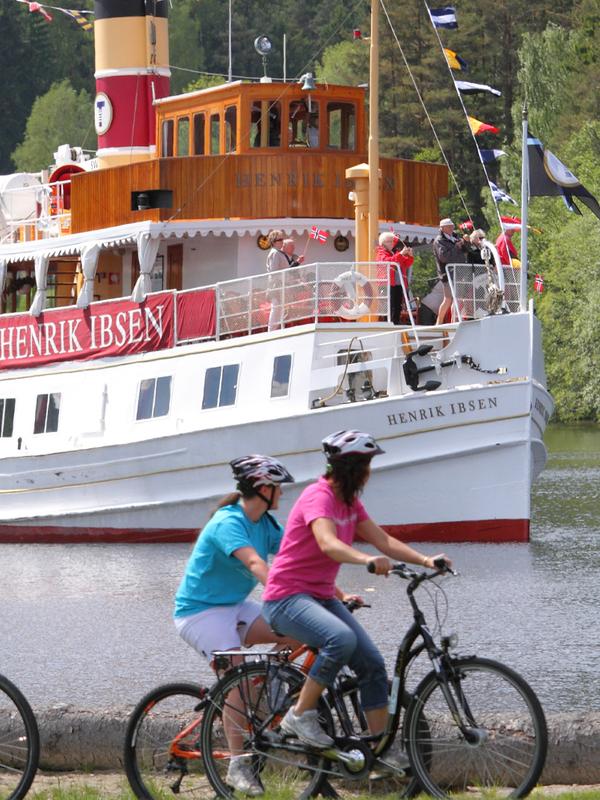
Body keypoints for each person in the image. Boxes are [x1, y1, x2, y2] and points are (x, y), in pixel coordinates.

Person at [262, 430, 450, 756]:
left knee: (372, 664)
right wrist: (366, 560)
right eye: (367, 464)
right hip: (286, 598)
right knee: (340, 639)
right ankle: (299, 715)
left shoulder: (350, 503)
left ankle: (381, 750)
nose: (369, 472)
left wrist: (425, 560)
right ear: (353, 468)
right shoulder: (317, 497)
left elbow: (383, 541)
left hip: (320, 597)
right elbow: (327, 542)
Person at [173, 454, 295, 795]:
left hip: (235, 606)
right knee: (236, 676)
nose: (282, 495)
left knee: (300, 631)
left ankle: (268, 686)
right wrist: (284, 590)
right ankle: (237, 766)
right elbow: (255, 562)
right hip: (200, 613)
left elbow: (295, 557)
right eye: (277, 488)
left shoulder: (266, 525)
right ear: (262, 488)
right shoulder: (228, 522)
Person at [432, 217, 467, 325]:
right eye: (449, 226)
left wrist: (465, 243)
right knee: (448, 299)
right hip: (447, 274)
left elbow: (465, 251)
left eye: (452, 226)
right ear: (442, 228)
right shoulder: (439, 241)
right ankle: (439, 321)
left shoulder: (455, 238)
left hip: (459, 272)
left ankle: (454, 321)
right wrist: (456, 247)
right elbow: (444, 257)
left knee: (458, 298)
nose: (452, 228)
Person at [375, 232, 414, 325]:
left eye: (392, 241)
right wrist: (401, 254)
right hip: (386, 284)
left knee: (397, 306)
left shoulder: (393, 252)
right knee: (388, 307)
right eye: (389, 241)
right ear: (383, 243)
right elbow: (388, 262)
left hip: (396, 284)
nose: (392, 243)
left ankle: (395, 323)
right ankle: (388, 325)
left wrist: (410, 256)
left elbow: (406, 264)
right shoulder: (381, 253)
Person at [266, 230, 289, 330]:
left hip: (281, 286)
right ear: (274, 241)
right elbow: (273, 271)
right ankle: (271, 332)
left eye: (282, 239)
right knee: (276, 309)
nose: (282, 241)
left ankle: (274, 331)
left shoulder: (278, 253)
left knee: (279, 310)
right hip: (277, 286)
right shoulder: (275, 253)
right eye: (280, 240)